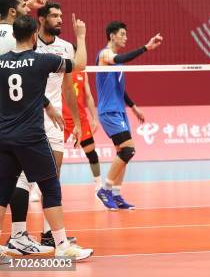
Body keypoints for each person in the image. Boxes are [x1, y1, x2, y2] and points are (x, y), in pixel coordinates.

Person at [0, 14, 93, 261]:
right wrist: (81, 37)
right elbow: (80, 65)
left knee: (2, 191)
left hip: (4, 137)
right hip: (31, 137)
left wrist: (45, 104)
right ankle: (62, 245)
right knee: (51, 188)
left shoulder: (0, 62)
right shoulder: (41, 60)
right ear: (33, 37)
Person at [95, 21, 163, 210]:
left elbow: (119, 89)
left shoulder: (117, 61)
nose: (126, 38)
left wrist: (133, 107)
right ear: (112, 36)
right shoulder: (105, 55)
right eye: (122, 34)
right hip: (109, 111)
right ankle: (105, 189)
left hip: (120, 111)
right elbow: (116, 58)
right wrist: (146, 48)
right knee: (128, 150)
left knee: (122, 153)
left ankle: (116, 195)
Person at [63, 46, 101, 190]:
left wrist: (94, 119)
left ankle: (98, 185)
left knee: (91, 152)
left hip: (81, 119)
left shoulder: (82, 73)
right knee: (50, 156)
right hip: (63, 119)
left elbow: (89, 96)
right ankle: (36, 189)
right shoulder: (59, 70)